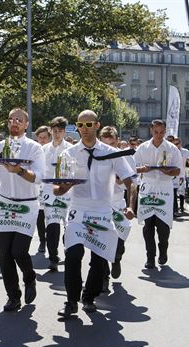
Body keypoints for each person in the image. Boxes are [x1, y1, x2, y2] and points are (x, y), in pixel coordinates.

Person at [53, 110, 136, 317]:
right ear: (77, 127)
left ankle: (89, 297)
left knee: (99, 260)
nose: (85, 129)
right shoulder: (68, 154)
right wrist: (63, 187)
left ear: (97, 126)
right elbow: (58, 188)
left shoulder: (111, 152)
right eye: (81, 125)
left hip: (102, 210)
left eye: (89, 125)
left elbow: (129, 181)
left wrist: (131, 206)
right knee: (72, 256)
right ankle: (71, 301)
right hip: (78, 210)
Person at [0, 107, 45, 312]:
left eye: (19, 120)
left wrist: (18, 170)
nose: (15, 123)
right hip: (4, 203)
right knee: (3, 254)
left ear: (26, 125)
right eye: (11, 119)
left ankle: (29, 277)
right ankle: (13, 296)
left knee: (19, 251)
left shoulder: (34, 148)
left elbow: (39, 177)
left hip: (28, 204)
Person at [133, 120, 181, 269]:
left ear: (165, 131)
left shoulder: (172, 149)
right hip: (148, 188)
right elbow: (132, 168)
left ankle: (163, 251)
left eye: (162, 132)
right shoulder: (142, 148)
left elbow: (178, 170)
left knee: (163, 227)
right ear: (151, 130)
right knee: (148, 227)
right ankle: (150, 258)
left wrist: (168, 171)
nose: (159, 135)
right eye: (156, 132)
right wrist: (143, 170)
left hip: (164, 189)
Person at [99, 126, 136, 285]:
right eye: (104, 144)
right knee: (99, 244)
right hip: (99, 206)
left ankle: (116, 259)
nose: (108, 148)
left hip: (118, 204)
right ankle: (103, 278)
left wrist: (130, 206)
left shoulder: (126, 158)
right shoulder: (94, 157)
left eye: (112, 144)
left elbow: (132, 185)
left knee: (119, 243)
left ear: (118, 142)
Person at [40, 117, 73, 271]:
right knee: (52, 226)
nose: (57, 134)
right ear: (50, 131)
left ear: (64, 132)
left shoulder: (71, 149)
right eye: (54, 131)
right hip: (49, 192)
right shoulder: (44, 149)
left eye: (60, 131)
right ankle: (53, 257)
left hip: (67, 192)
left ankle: (70, 251)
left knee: (69, 226)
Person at [34, 125, 51, 254]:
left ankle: (52, 242)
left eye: (45, 137)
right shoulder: (34, 150)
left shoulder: (53, 149)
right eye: (40, 138)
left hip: (52, 188)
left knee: (52, 217)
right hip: (39, 188)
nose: (42, 140)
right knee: (40, 217)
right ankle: (42, 241)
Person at [170, 136, 189, 216]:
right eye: (175, 143)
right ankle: (175, 209)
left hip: (182, 174)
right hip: (173, 174)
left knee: (182, 191)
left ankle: (182, 206)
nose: (176, 145)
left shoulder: (185, 151)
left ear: (180, 143)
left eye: (177, 143)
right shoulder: (172, 150)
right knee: (174, 191)